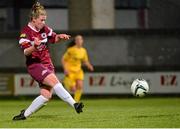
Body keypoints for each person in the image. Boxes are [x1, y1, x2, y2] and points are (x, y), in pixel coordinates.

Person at [13, 2, 84, 121]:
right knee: (55, 81)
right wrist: (34, 46)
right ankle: (74, 104)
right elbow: (26, 52)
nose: (44, 22)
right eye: (42, 20)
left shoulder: (44, 29)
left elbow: (53, 38)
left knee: (46, 95)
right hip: (35, 65)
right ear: (33, 19)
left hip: (47, 64)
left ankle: (24, 114)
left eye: (45, 20)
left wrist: (60, 37)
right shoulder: (26, 32)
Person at [62, 35, 94, 102]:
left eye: (80, 39)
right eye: (77, 40)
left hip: (78, 71)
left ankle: (75, 102)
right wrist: (65, 69)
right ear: (75, 41)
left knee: (80, 86)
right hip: (70, 71)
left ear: (82, 41)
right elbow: (64, 60)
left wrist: (89, 65)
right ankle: (65, 80)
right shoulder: (71, 50)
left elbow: (85, 61)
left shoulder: (83, 51)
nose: (79, 41)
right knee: (73, 89)